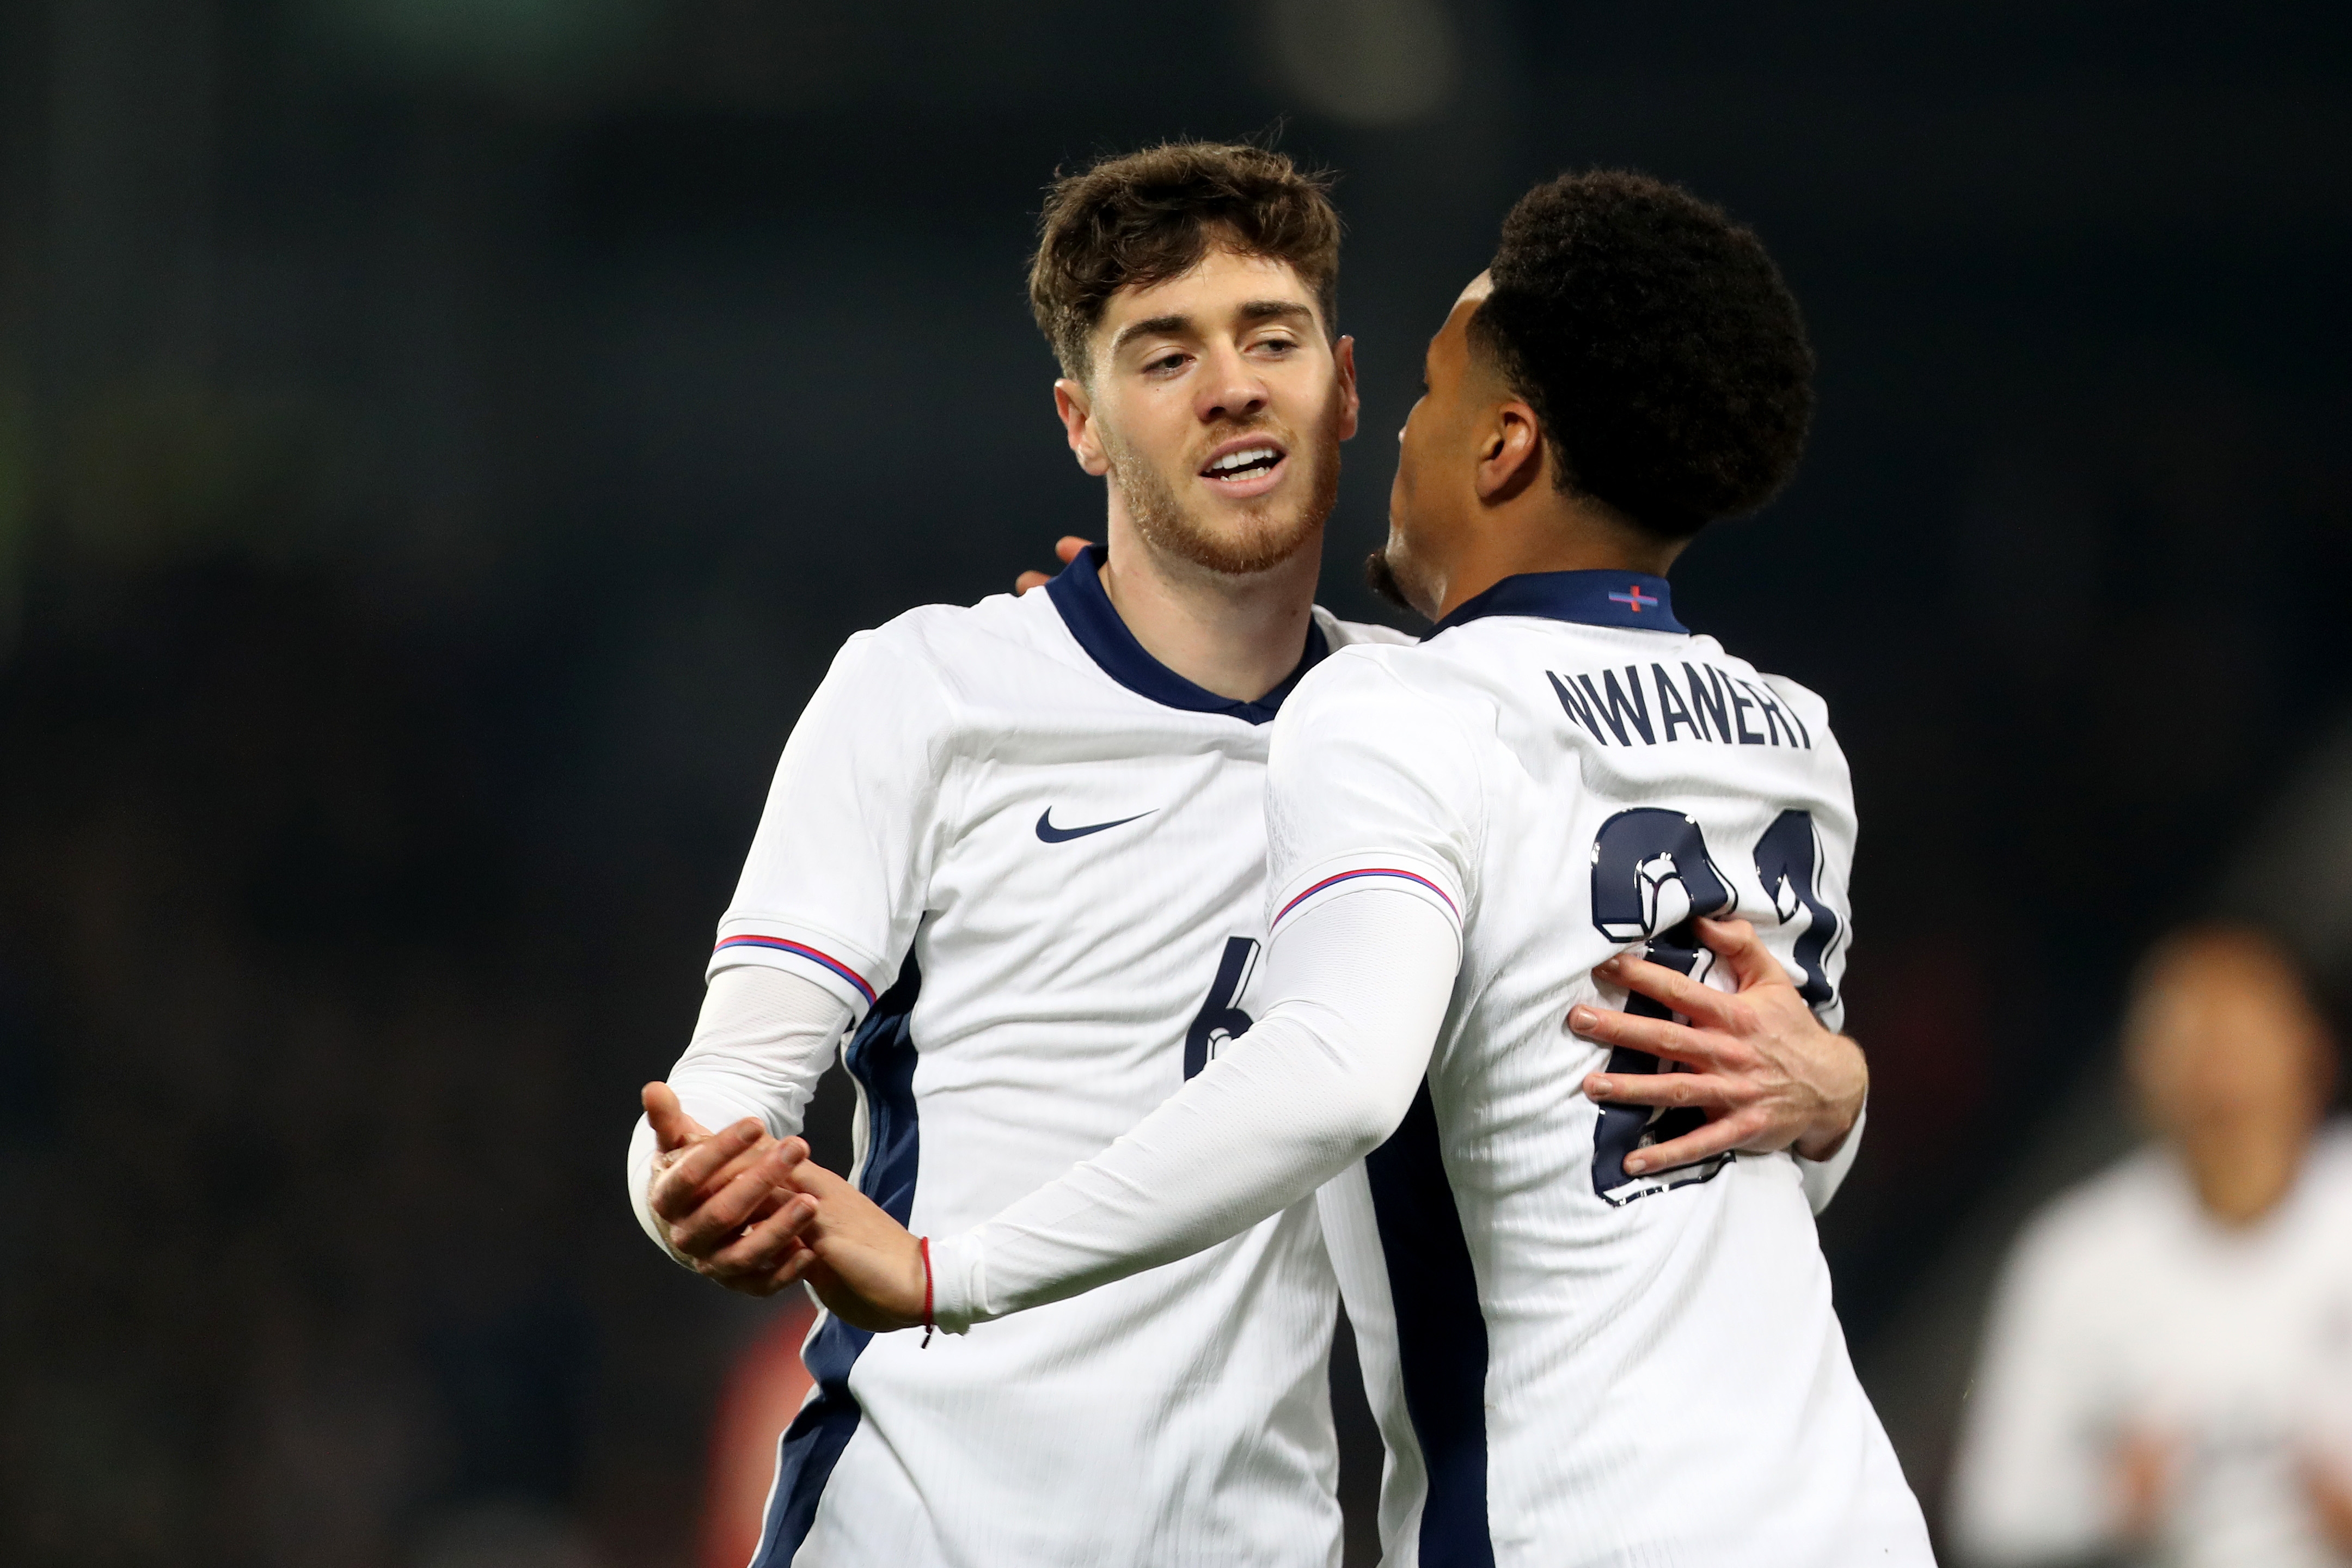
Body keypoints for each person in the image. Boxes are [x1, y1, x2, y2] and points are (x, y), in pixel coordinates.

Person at [629, 144, 1870, 1568]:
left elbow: (1652, 1125)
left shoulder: (1442, 737)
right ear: (1082, 425)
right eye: (1161, 356)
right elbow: (728, 1079)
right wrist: (692, 1191)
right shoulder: (933, 691)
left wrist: (1835, 1089)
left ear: (1345, 389)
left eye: (1269, 337)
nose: (1229, 383)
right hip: (917, 1529)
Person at [1950, 926, 2352, 1567]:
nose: (2221, 1073)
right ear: (2138, 1073)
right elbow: (1994, 1514)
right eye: (2193, 1040)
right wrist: (2106, 1503)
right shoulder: (2075, 1256)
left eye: (2243, 1033)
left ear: (2313, 1048)